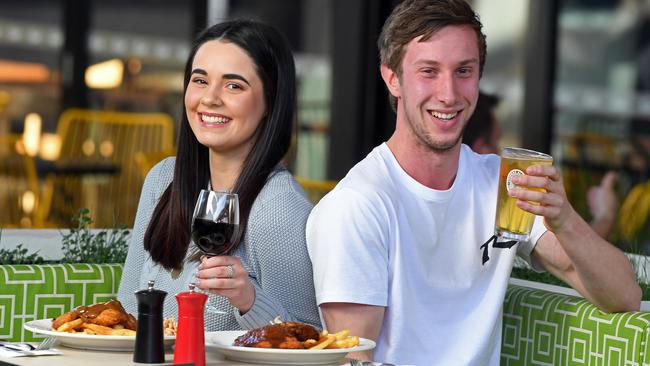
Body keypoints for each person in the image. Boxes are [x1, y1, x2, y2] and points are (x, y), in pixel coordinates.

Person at [305, 0, 641, 364]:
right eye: (429, 71)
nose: (449, 94)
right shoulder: (357, 205)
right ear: (392, 78)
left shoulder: (501, 184)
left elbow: (624, 297)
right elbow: (353, 360)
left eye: (463, 71)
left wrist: (566, 221)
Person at [117, 19, 321, 331]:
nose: (210, 98)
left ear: (270, 101)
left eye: (234, 85)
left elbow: (307, 340)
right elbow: (128, 311)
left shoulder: (278, 207)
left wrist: (250, 300)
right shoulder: (163, 180)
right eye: (200, 81)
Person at [463, 92, 621, 240]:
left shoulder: (459, 194)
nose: (499, 153)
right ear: (480, 148)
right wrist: (606, 215)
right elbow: (569, 260)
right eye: (497, 143)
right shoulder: (500, 207)